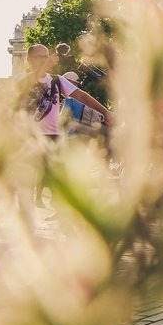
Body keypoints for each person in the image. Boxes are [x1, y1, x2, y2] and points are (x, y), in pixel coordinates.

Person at [18, 44, 113, 208]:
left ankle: (57, 210)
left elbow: (82, 96)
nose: (44, 60)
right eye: (40, 57)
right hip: (29, 136)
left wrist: (106, 112)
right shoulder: (23, 81)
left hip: (53, 136)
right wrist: (46, 66)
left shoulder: (57, 80)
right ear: (29, 60)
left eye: (46, 56)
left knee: (55, 175)